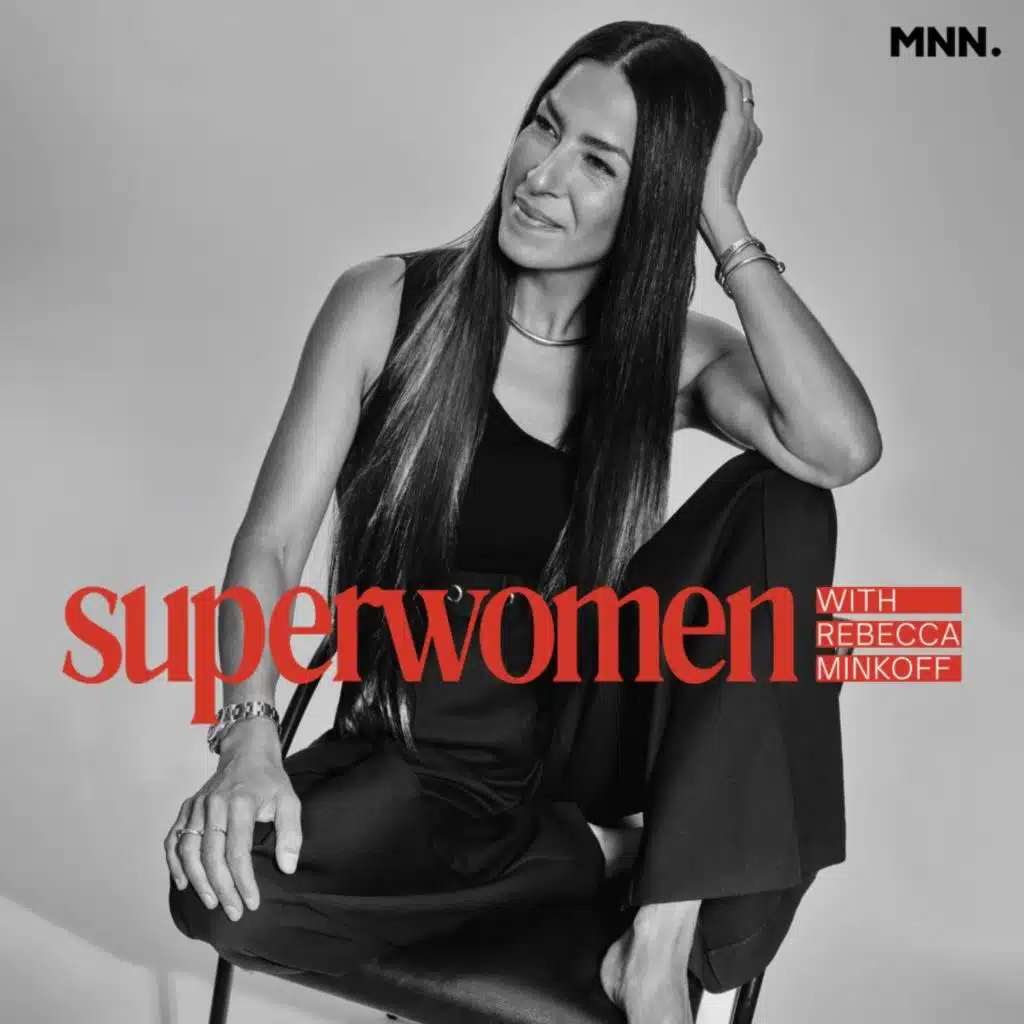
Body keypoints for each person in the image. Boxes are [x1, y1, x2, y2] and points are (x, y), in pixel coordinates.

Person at [166, 20, 881, 1024]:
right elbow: (272, 543)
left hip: (583, 730)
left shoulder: (667, 358)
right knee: (219, 895)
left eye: (598, 162)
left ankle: (661, 927)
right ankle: (610, 856)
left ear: (654, 198)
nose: (541, 176)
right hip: (413, 750)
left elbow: (839, 447)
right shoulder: (388, 305)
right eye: (544, 127)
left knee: (788, 499)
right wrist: (248, 736)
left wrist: (721, 216)